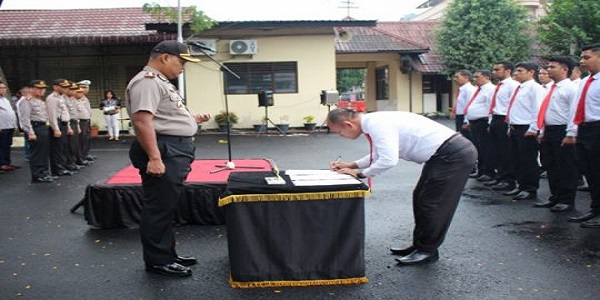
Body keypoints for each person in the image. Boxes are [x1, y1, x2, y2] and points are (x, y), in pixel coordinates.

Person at [327, 108, 477, 265]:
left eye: (339, 132)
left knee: (433, 204)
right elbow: (381, 153)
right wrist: (352, 165)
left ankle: (427, 251)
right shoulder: (373, 122)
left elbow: (388, 160)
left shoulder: (377, 124)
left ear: (348, 124)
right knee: (420, 197)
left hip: (453, 155)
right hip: (443, 155)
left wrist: (360, 174)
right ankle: (420, 246)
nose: (341, 136)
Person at [126, 40, 210, 277]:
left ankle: (167, 253)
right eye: (181, 61)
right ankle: (157, 260)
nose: (183, 67)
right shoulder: (147, 81)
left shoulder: (160, 82)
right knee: (158, 207)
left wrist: (191, 120)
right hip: (163, 150)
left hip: (172, 148)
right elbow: (143, 121)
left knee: (166, 205)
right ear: (165, 58)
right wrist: (154, 157)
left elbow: (164, 117)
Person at [533, 56, 578, 212]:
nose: (548, 70)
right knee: (551, 165)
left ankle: (566, 200)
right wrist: (543, 130)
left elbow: (574, 113)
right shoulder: (551, 88)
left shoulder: (571, 88)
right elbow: (546, 111)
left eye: (552, 67)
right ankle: (555, 197)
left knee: (565, 166)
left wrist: (571, 133)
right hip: (549, 130)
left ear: (565, 69)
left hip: (563, 130)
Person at [564, 43, 600, 227]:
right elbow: (576, 108)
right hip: (585, 129)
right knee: (590, 172)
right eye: (581, 57)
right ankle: (595, 209)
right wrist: (573, 131)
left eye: (587, 57)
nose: (582, 61)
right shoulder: (585, 81)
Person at [503, 62, 546, 200]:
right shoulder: (519, 88)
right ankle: (520, 185)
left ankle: (530, 188)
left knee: (528, 161)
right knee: (516, 159)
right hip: (515, 127)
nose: (516, 73)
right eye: (516, 71)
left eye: (520, 71)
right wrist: (510, 126)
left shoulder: (535, 88)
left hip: (527, 128)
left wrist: (534, 128)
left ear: (531, 72)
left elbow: (538, 109)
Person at [487, 61, 520, 191]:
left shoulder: (513, 85)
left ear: (508, 71)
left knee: (506, 151)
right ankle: (500, 176)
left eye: (497, 69)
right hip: (496, 119)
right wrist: (491, 122)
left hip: (505, 120)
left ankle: (509, 179)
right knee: (497, 150)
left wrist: (509, 123)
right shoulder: (499, 86)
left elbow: (513, 105)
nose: (494, 72)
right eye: (493, 69)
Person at [18, 80, 54, 183]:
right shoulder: (27, 101)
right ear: (31, 89)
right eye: (38, 88)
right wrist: (30, 132)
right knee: (37, 153)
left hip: (43, 127)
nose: (42, 90)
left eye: (43, 88)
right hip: (35, 128)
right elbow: (25, 118)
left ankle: (44, 173)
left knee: (44, 152)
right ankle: (38, 175)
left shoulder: (40, 101)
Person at [463, 70, 495, 182]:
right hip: (475, 122)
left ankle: (488, 171)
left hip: (483, 121)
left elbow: (490, 107)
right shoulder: (478, 90)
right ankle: (481, 170)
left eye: (477, 77)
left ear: (486, 77)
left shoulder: (490, 89)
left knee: (486, 148)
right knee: (478, 147)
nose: (474, 79)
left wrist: (490, 123)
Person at [46, 79, 76, 176]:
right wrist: (56, 128)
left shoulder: (61, 97)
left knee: (62, 148)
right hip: (57, 124)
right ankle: (57, 169)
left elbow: (64, 113)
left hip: (63, 123)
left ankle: (62, 167)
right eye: (63, 86)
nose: (65, 88)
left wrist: (68, 126)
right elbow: (52, 115)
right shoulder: (52, 98)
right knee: (56, 149)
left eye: (66, 87)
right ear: (55, 87)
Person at [450, 70, 476, 139]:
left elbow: (470, 106)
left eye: (457, 77)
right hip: (459, 117)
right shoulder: (462, 89)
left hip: (464, 117)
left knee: (466, 138)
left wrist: (466, 121)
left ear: (466, 77)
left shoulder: (469, 90)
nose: (455, 79)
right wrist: (453, 111)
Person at [0, 82, 19, 172]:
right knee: (2, 145)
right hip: (2, 126)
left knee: (7, 144)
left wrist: (14, 125)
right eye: (1, 88)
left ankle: (7, 162)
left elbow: (10, 112)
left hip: (9, 125)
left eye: (4, 88)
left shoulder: (5, 99)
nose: (4, 89)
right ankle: (2, 163)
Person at [76, 80, 94, 163]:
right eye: (85, 87)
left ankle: (85, 154)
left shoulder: (84, 98)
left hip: (86, 120)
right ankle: (81, 156)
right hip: (81, 121)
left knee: (86, 138)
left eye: (87, 88)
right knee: (81, 139)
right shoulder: (77, 98)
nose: (87, 89)